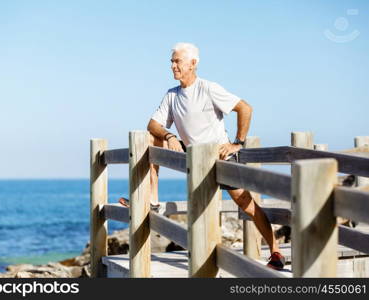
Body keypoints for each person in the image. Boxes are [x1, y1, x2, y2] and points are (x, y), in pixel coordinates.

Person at [120, 42, 285, 271]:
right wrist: (169, 136)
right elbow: (152, 125)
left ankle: (275, 251)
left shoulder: (208, 88)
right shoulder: (172, 95)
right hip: (194, 161)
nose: (173, 65)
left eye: (177, 61)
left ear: (193, 63)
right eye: (172, 61)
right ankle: (153, 200)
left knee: (246, 204)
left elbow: (245, 108)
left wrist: (237, 143)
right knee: (151, 139)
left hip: (220, 158)